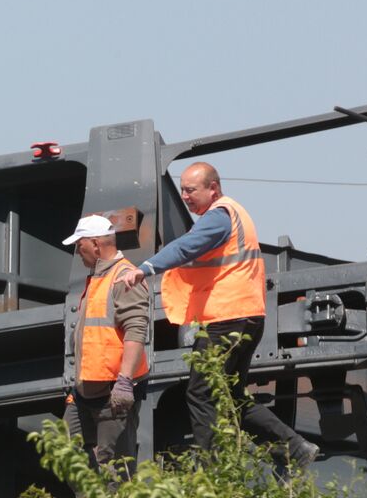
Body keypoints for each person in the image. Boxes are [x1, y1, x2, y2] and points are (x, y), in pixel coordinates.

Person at [122, 163, 319, 466]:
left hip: (226, 319)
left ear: (212, 188)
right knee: (231, 395)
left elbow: (187, 246)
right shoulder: (234, 214)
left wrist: (146, 268)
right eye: (183, 189)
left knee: (200, 393)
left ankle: (211, 470)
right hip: (246, 317)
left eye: (191, 190)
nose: (185, 196)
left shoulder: (219, 216)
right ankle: (294, 448)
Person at [61, 215, 149, 484]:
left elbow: (136, 331)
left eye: (80, 245)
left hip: (112, 390)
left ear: (96, 244)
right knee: (69, 451)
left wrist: (124, 381)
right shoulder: (98, 278)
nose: (77, 252)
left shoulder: (124, 278)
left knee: (114, 465)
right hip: (85, 389)